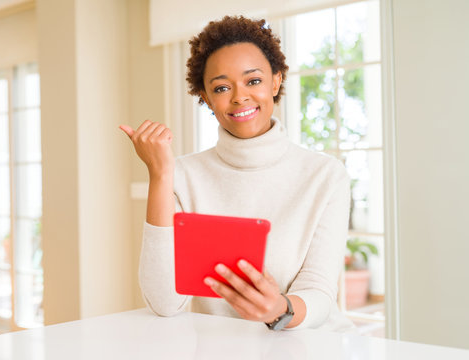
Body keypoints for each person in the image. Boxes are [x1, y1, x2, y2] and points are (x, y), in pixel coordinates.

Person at [119, 16, 354, 331]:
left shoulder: (325, 175)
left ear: (276, 82)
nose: (239, 97)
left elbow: (320, 289)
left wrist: (279, 308)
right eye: (221, 87)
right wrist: (161, 174)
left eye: (253, 81)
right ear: (205, 97)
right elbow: (164, 303)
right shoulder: (183, 175)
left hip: (308, 344)